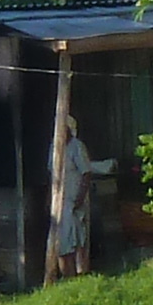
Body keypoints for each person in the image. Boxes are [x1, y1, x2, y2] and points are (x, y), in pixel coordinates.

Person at [47, 106, 97, 279]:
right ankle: (65, 276)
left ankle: (81, 274)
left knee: (78, 239)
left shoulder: (77, 147)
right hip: (59, 201)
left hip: (74, 201)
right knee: (61, 241)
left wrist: (79, 199)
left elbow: (86, 173)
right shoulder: (54, 148)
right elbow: (51, 174)